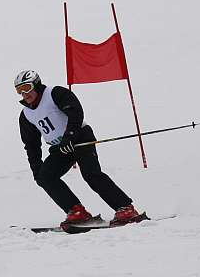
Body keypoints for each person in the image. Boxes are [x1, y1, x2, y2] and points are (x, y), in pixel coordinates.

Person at [15, 70, 142, 227]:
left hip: (80, 138)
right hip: (60, 148)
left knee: (91, 174)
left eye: (26, 88)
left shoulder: (55, 93)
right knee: (45, 177)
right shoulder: (26, 115)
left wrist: (70, 136)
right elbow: (31, 145)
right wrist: (36, 170)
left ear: (36, 84)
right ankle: (77, 212)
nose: (24, 94)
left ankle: (125, 208)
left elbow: (76, 112)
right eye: (19, 91)